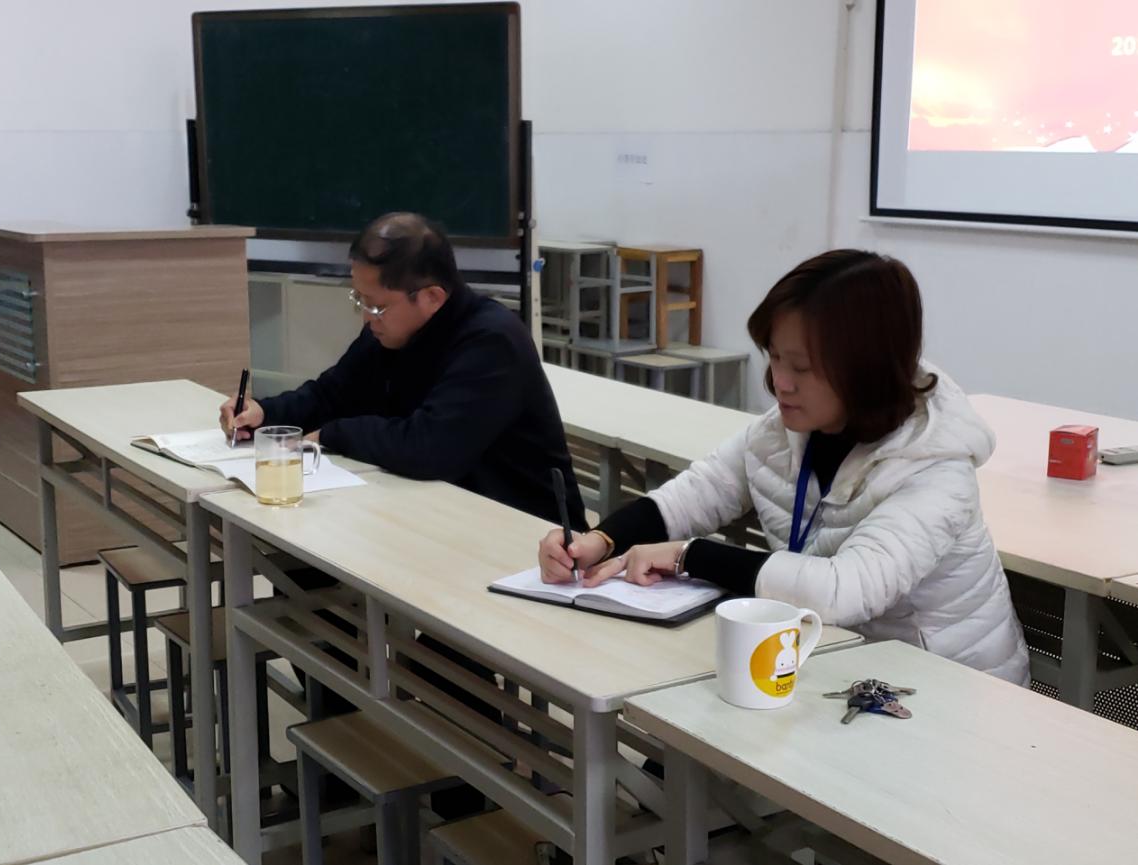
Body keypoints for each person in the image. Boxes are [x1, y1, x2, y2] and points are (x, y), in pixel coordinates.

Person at [538, 249, 1029, 685]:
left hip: (943, 690)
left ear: (867, 369)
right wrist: (600, 541)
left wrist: (688, 555)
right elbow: (697, 493)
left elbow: (842, 591)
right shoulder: (786, 429)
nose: (780, 382)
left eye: (802, 367)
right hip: (836, 662)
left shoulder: (937, 470)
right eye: (774, 358)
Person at [219, 210, 586, 531]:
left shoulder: (492, 342)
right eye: (360, 300)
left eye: (376, 306)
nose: (367, 318)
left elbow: (430, 448)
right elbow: (331, 394)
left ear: (432, 297)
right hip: (437, 512)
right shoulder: (390, 330)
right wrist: (265, 414)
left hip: (526, 533)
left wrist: (333, 434)